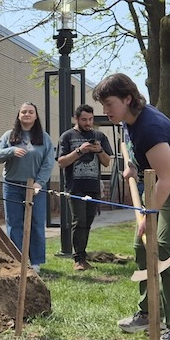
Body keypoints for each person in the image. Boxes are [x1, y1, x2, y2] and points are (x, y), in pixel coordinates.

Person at [92, 74, 170, 340]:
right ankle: (148, 314)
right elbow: (140, 157)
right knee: (142, 248)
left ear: (127, 99)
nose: (105, 111)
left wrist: (148, 214)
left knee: (168, 252)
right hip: (161, 187)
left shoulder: (150, 127)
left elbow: (167, 178)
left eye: (109, 104)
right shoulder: (127, 123)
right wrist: (134, 167)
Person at [0, 102, 56, 272]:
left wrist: (39, 183)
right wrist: (10, 151)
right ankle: (17, 260)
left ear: (36, 116)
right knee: (14, 223)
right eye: (24, 112)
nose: (27, 114)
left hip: (34, 187)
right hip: (12, 186)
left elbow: (48, 163)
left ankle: (35, 263)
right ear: (18, 115)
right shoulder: (9, 136)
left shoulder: (44, 138)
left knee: (36, 223)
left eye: (31, 112)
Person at [57, 104, 112, 270]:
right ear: (76, 119)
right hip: (75, 187)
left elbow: (107, 161)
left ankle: (82, 255)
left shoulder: (99, 136)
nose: (88, 123)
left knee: (87, 222)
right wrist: (80, 151)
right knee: (79, 220)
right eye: (84, 120)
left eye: (90, 119)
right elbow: (61, 162)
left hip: (93, 186)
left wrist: (99, 150)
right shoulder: (67, 136)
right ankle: (78, 260)